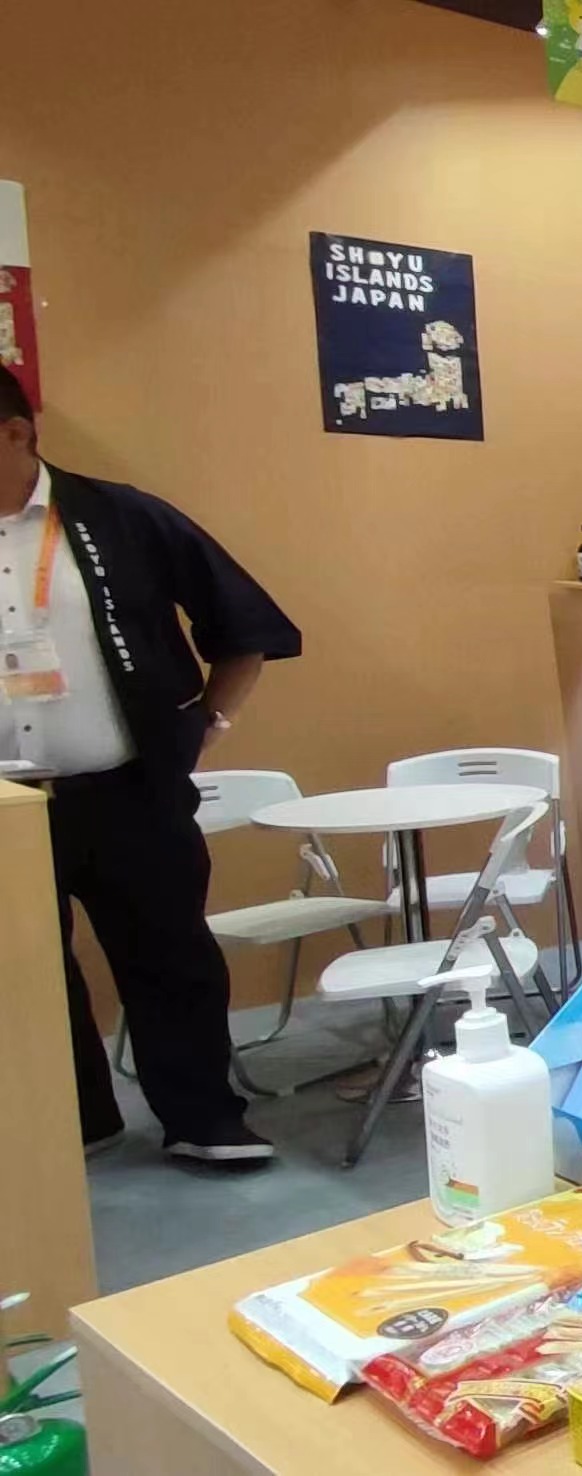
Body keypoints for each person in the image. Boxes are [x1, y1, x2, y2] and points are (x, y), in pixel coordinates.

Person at [3, 371, 301, 1165]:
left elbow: (243, 625)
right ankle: (77, 1121)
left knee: (170, 956)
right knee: (24, 970)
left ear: (17, 433)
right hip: (7, 806)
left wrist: (208, 723)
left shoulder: (119, 517)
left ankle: (203, 1119)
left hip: (127, 788)